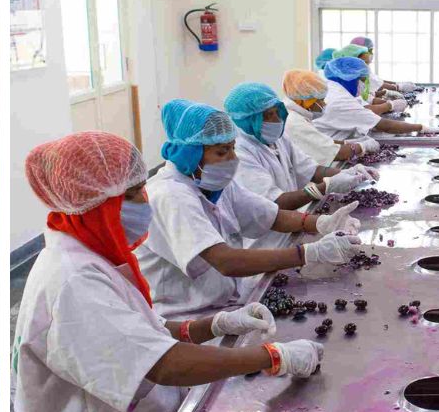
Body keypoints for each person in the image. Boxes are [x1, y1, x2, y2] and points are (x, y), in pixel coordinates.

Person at [13, 131, 324, 412]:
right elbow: (164, 365)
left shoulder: (92, 257)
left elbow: (144, 330)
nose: (145, 201)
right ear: (91, 205)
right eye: (130, 196)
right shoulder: (72, 281)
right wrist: (273, 356)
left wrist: (215, 325)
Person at [134, 99, 364, 318]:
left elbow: (271, 216)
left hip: (226, 303)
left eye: (232, 148)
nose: (233, 158)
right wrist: (308, 253)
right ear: (190, 154)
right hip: (190, 320)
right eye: (222, 152)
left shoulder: (214, 184)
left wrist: (321, 222)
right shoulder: (170, 196)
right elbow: (226, 261)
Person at [225, 83, 379, 250]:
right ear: (249, 120)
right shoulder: (240, 152)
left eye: (277, 113)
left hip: (291, 229)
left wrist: (349, 173)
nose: (276, 120)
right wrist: (324, 187)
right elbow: (273, 204)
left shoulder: (276, 137)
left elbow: (311, 169)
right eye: (269, 115)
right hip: (263, 246)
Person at [280, 69, 379, 166]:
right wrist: (363, 146)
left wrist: (349, 142)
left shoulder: (296, 114)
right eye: (321, 100)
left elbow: (320, 141)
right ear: (307, 101)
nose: (324, 104)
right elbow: (334, 153)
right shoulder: (294, 121)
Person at [315, 57, 423, 140]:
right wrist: (420, 127)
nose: (362, 85)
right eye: (361, 80)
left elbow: (361, 105)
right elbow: (385, 126)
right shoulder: (340, 99)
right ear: (349, 79)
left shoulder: (334, 88)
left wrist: (389, 102)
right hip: (331, 156)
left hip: (332, 145)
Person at [332, 44, 401, 114]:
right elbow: (360, 110)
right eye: (363, 63)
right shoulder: (344, 83)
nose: (367, 67)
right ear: (350, 63)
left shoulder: (356, 79)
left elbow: (365, 98)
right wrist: (389, 105)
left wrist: (389, 101)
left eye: (368, 63)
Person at [350, 36, 418, 94]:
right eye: (369, 51)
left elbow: (377, 80)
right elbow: (375, 84)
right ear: (358, 53)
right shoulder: (354, 69)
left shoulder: (363, 67)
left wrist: (396, 83)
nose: (371, 54)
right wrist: (398, 87)